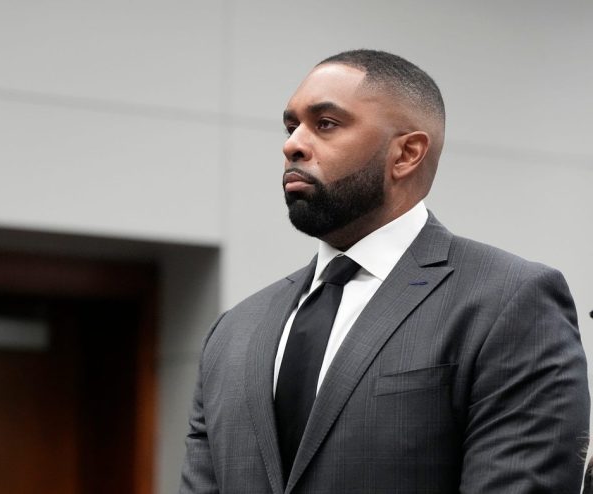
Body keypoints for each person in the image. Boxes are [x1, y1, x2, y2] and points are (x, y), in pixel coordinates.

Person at [179, 49, 590, 493]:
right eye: (291, 126)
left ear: (407, 153)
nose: (292, 144)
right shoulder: (234, 331)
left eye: (325, 123)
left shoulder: (508, 301)